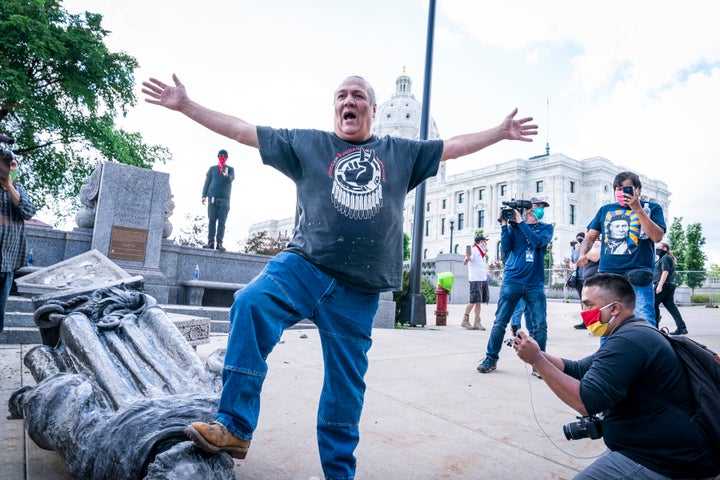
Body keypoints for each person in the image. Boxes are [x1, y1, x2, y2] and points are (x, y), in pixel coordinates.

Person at [142, 73, 537, 479]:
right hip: (304, 266)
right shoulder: (308, 143)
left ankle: (338, 474)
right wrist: (187, 105)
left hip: (359, 288)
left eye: (359, 95)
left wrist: (500, 132)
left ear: (373, 109)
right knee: (250, 302)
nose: (350, 100)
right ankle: (235, 426)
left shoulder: (399, 152)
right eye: (342, 95)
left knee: (344, 389)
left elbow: (452, 146)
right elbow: (244, 131)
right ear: (335, 107)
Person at [512, 273, 719, 479]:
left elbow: (585, 401)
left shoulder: (629, 341)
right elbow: (579, 369)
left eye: (588, 305)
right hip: (656, 451)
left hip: (663, 461)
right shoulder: (633, 332)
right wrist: (535, 351)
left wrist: (537, 361)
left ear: (614, 308)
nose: (583, 312)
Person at [576, 171, 665, 328]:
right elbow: (589, 237)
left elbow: (657, 237)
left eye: (626, 188)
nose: (621, 192)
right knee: (606, 324)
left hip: (638, 275)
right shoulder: (605, 210)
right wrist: (582, 254)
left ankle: (647, 352)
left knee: (645, 323)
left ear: (638, 190)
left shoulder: (652, 208)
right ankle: (609, 353)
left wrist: (637, 208)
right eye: (617, 188)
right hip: (608, 276)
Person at [477, 197, 553, 375]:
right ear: (527, 208)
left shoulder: (546, 228)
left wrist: (520, 222)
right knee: (500, 322)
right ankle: (491, 358)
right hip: (512, 280)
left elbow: (537, 242)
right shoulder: (514, 226)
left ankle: (539, 365)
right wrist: (504, 225)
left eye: (542, 207)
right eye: (537, 206)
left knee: (539, 325)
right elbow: (506, 246)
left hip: (534, 283)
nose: (540, 209)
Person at [0, 149, 36, 336]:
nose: (9, 167)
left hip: (6, 262)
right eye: (6, 162)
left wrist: (9, 184)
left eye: (12, 164)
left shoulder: (18, 191)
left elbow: (28, 211)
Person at [201, 149, 235, 252]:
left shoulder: (230, 169)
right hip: (212, 197)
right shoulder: (212, 169)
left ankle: (219, 243)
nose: (222, 157)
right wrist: (203, 195)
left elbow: (231, 179)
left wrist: (225, 174)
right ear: (217, 156)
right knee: (211, 221)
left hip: (224, 199)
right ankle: (210, 242)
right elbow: (207, 182)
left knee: (222, 222)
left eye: (224, 155)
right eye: (220, 155)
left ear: (227, 157)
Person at [653, 241, 688, 335]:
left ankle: (655, 327)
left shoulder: (665, 258)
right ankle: (682, 328)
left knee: (653, 305)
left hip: (664, 284)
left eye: (659, 247)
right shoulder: (663, 258)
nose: (657, 249)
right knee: (671, 307)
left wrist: (659, 286)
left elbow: (665, 272)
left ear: (665, 249)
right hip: (669, 285)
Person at [461, 234, 489, 330]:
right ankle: (465, 320)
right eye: (484, 242)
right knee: (473, 300)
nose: (485, 243)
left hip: (482, 279)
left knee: (478, 301)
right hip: (475, 279)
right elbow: (466, 260)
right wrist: (467, 258)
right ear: (480, 242)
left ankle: (477, 322)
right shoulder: (474, 250)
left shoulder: (482, 253)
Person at [573, 239, 600, 330]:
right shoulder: (586, 247)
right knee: (586, 302)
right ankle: (587, 322)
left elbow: (596, 257)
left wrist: (583, 253)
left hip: (595, 279)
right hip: (586, 279)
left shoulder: (597, 243)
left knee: (594, 302)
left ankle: (594, 324)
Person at [569, 231, 585, 298]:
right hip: (577, 278)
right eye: (578, 238)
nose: (579, 240)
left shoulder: (587, 250)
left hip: (586, 277)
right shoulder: (574, 252)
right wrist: (572, 265)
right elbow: (571, 261)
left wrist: (577, 264)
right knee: (581, 297)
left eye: (581, 238)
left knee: (586, 297)